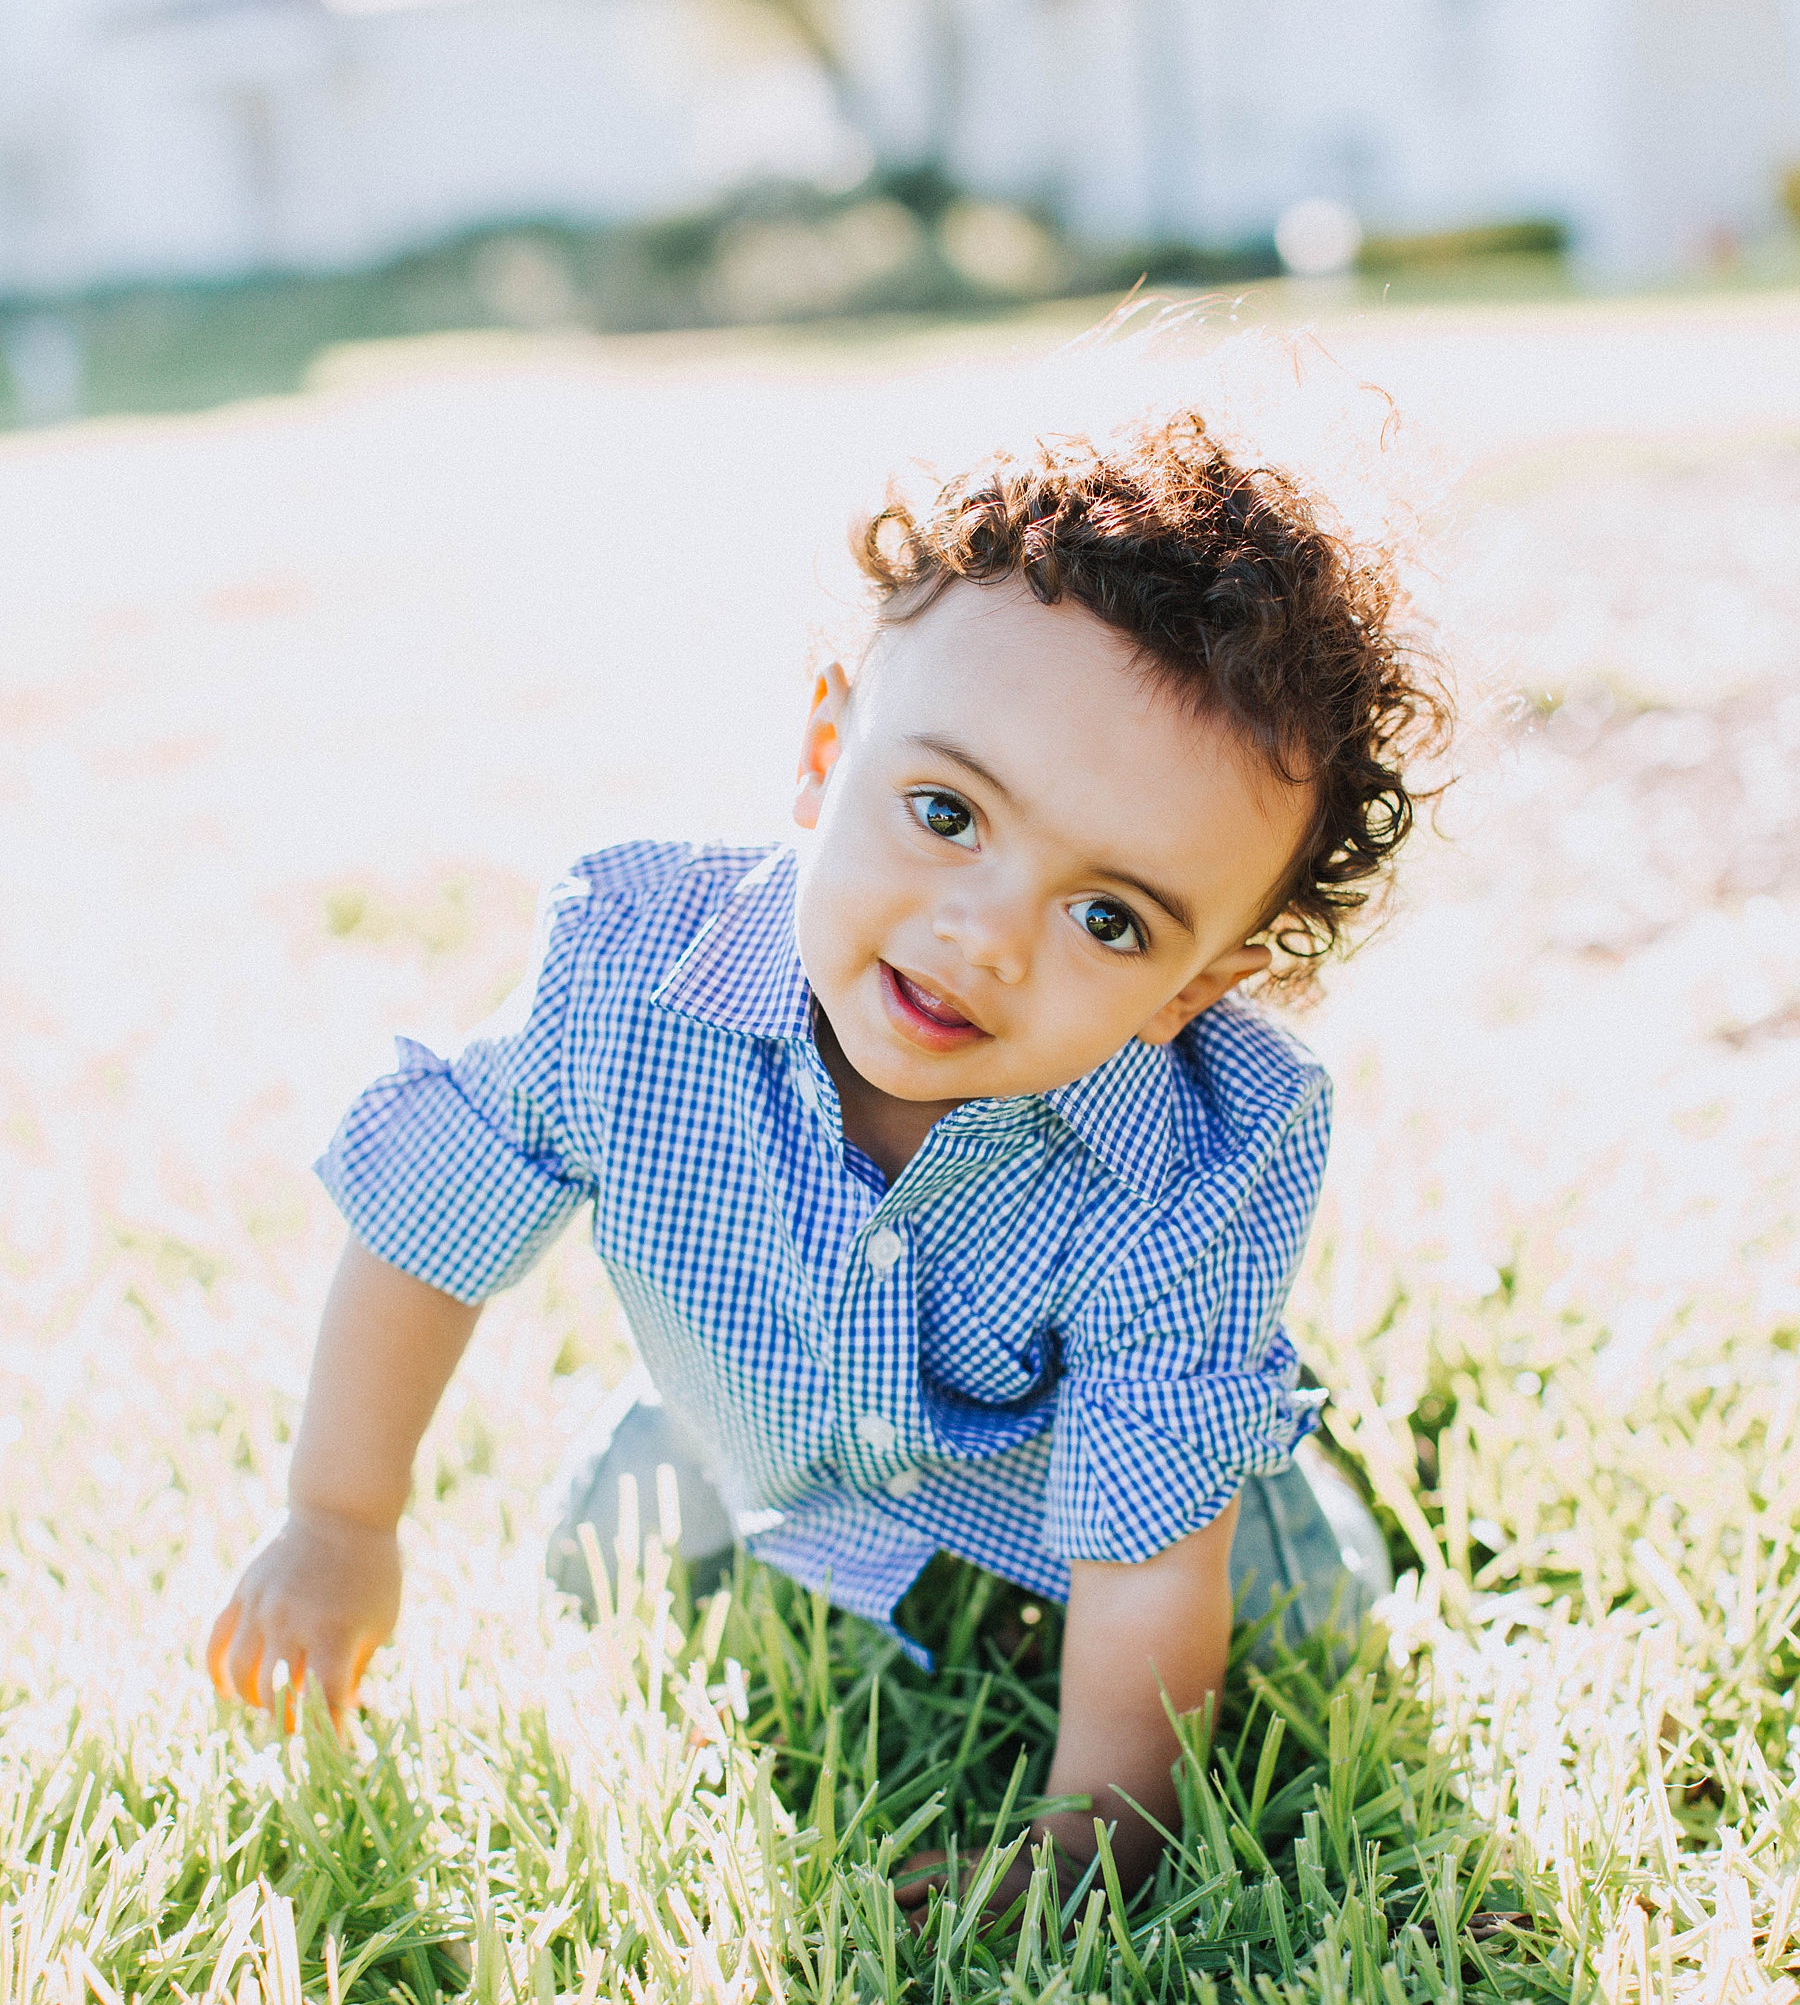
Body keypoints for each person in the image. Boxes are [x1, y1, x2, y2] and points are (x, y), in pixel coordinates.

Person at [208, 401, 1444, 1909]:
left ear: (1192, 986)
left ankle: (1304, 1501)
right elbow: (428, 1218)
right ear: (823, 747)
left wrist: (1098, 1835)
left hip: (1077, 1496)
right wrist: (339, 1522)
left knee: (1297, 1625)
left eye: (1109, 918)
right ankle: (750, 1493)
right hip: (756, 1424)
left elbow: (1152, 1553)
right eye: (945, 813)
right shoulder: (628, 966)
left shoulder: (1195, 1158)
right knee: (603, 1569)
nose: (981, 937)